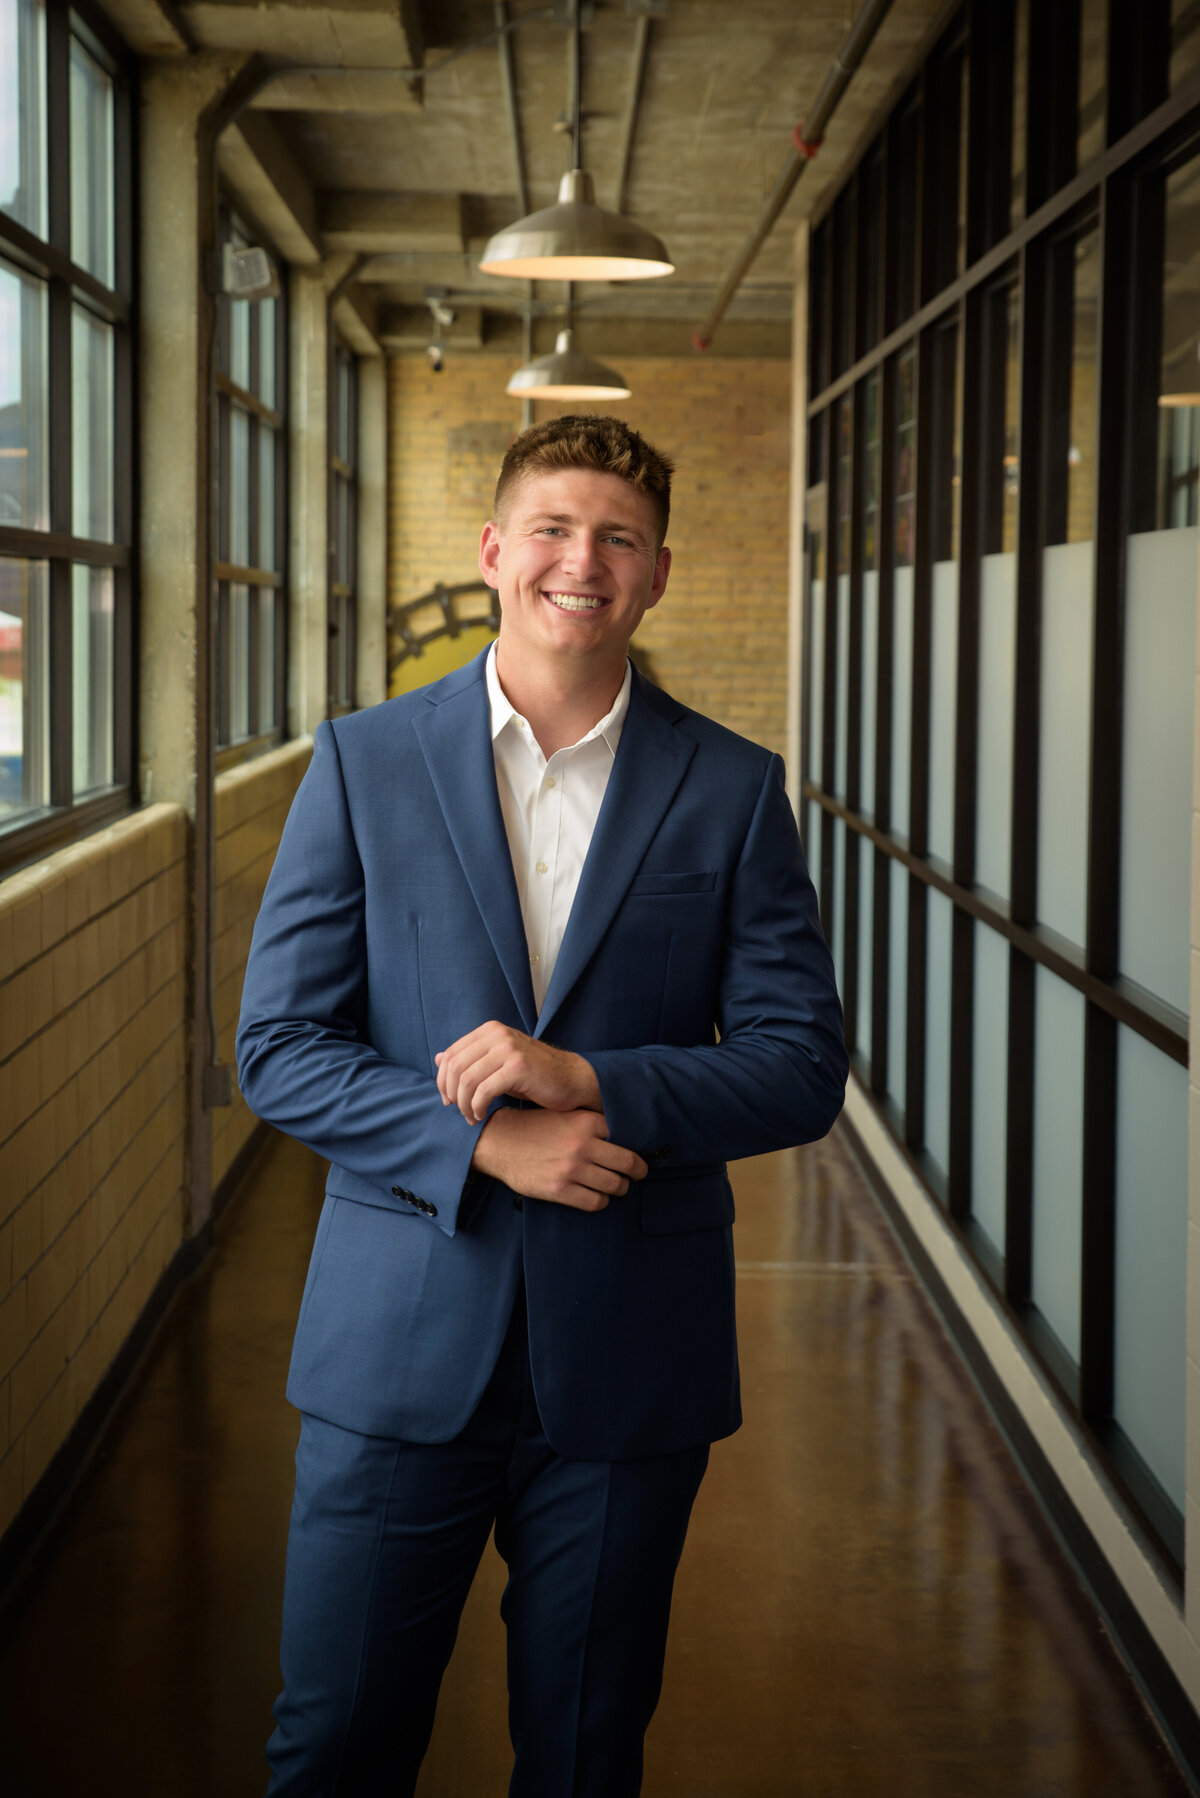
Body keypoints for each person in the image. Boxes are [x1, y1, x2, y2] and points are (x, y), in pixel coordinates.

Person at [236, 413, 847, 1796]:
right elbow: (277, 1043)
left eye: (619, 537)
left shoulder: (736, 792)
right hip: (397, 1350)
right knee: (333, 1746)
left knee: (581, 1756)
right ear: (497, 549)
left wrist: (594, 1079)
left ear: (660, 571)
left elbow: (802, 1062)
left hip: (630, 1360)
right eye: (557, 528)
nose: (586, 559)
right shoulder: (363, 761)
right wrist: (488, 1142)